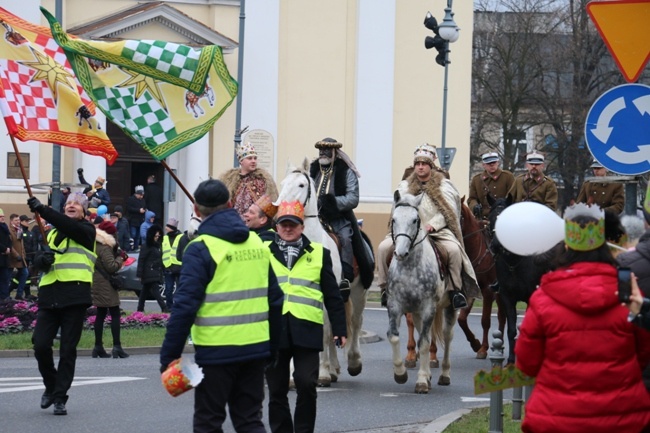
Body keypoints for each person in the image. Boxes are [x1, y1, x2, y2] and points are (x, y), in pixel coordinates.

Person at [160, 179, 283, 433]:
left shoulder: (200, 248)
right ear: (229, 204)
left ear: (196, 210)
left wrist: (169, 356)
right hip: (255, 349)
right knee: (250, 421)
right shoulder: (256, 244)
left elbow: (184, 307)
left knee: (208, 421)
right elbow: (276, 299)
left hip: (216, 353)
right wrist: (272, 348)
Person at [515, 203, 650, 433]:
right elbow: (643, 354)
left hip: (555, 418)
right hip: (621, 417)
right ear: (605, 245)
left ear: (566, 246)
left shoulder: (543, 296)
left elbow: (527, 364)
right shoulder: (628, 290)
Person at [265, 200, 347, 433]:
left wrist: (340, 328)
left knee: (307, 383)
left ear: (302, 227)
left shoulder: (319, 254)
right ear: (277, 227)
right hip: (273, 331)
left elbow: (332, 295)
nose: (288, 229)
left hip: (307, 330)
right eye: (283, 225)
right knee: (277, 389)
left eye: (293, 224)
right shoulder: (263, 252)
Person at [379, 144, 480, 309]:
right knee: (383, 248)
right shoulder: (404, 187)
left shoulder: (445, 186)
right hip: (406, 232)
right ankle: (385, 288)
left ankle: (456, 290)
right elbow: (396, 211)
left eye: (424, 164)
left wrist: (433, 225)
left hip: (436, 232)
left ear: (430, 166)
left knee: (454, 250)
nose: (420, 167)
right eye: (417, 164)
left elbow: (450, 212)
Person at [27, 193, 97, 416]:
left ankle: (60, 397)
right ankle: (51, 384)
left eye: (76, 204)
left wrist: (43, 210)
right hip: (50, 295)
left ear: (85, 211)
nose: (71, 206)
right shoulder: (51, 232)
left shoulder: (87, 231)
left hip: (75, 295)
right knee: (40, 345)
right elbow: (38, 259)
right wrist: (42, 261)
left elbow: (70, 227)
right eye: (68, 204)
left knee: (67, 350)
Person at [309, 137, 362, 290]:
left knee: (345, 239)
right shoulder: (312, 169)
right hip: (315, 218)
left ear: (334, 152)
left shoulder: (346, 171)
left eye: (326, 150)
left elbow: (353, 198)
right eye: (320, 150)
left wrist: (331, 202)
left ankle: (345, 276)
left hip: (337, 218)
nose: (322, 153)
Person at [91, 220, 129, 359]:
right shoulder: (105, 247)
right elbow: (111, 266)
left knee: (101, 314)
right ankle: (117, 347)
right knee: (114, 314)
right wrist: (120, 258)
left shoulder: (96, 244)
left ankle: (98, 347)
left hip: (98, 283)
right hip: (105, 285)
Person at [219, 141, 278, 219]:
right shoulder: (230, 180)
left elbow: (271, 202)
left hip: (257, 222)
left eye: (255, 158)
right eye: (249, 158)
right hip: (235, 222)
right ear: (241, 161)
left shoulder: (263, 179)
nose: (253, 161)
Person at [467, 152, 515, 220]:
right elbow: (472, 198)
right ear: (483, 165)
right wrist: (475, 206)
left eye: (494, 162)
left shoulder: (507, 177)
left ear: (498, 163)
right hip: (484, 217)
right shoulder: (477, 180)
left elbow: (512, 196)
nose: (492, 165)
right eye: (489, 163)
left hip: (504, 215)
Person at [136, 224, 167, 313]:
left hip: (153, 271)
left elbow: (159, 259)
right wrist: (140, 273)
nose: (157, 237)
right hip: (149, 271)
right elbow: (141, 259)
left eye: (158, 236)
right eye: (155, 236)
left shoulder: (157, 246)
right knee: (155, 290)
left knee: (144, 291)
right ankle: (164, 307)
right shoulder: (147, 246)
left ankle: (140, 308)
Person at [162, 217, 182, 310]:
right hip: (168, 266)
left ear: (171, 228)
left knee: (179, 289)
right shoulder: (165, 238)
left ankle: (178, 306)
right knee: (168, 289)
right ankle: (169, 307)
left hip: (179, 267)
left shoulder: (181, 237)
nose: (166, 228)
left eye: (167, 226)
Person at [8, 213, 29, 300]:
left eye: (18, 220)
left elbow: (21, 244)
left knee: (25, 273)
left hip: (21, 258)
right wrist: (16, 255)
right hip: (12, 258)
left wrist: (23, 254)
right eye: (16, 220)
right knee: (7, 277)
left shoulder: (20, 230)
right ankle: (5, 294)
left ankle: (19, 294)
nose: (18, 222)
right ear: (11, 221)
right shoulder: (9, 230)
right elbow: (9, 245)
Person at [125, 185, 146, 251]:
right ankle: (131, 247)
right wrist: (138, 210)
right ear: (137, 194)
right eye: (140, 195)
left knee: (138, 236)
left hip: (140, 220)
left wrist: (144, 210)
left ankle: (136, 247)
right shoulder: (131, 199)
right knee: (133, 234)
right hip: (133, 220)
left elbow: (144, 206)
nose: (141, 197)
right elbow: (129, 208)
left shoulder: (142, 200)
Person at [0, 209, 12, 300]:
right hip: (1, 255)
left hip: (4, 258)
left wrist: (9, 248)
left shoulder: (5, 228)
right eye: (0, 217)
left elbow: (9, 240)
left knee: (5, 278)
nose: (2, 218)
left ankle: (5, 296)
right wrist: (4, 249)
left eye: (3, 216)